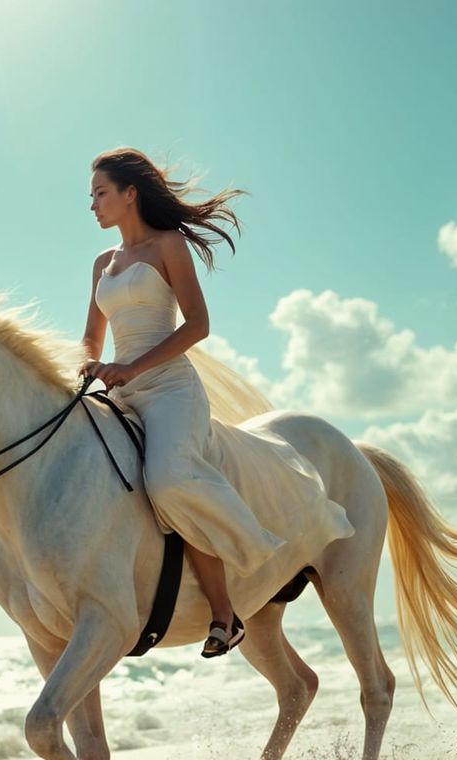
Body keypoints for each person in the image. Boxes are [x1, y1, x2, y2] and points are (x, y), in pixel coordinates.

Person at [76, 147, 299, 657]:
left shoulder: (167, 246)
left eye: (101, 194)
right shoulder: (102, 264)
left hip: (170, 389)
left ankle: (231, 603)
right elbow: (91, 335)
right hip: (121, 391)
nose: (92, 205)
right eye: (90, 197)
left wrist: (132, 366)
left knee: (170, 479)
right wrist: (85, 367)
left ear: (130, 194)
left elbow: (198, 325)